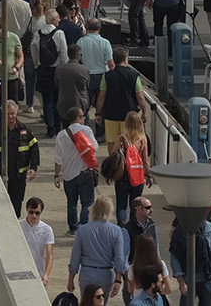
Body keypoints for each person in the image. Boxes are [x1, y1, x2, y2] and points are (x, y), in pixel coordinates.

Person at [68, 197, 129, 300]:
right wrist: (118, 280)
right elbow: (119, 258)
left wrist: (70, 280)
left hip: (87, 273)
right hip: (106, 274)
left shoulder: (82, 230)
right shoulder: (116, 231)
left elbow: (75, 257)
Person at [0, 100, 41, 213]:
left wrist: (33, 167)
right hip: (1, 176)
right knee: (1, 206)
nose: (10, 116)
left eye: (12, 113)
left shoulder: (25, 131)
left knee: (16, 205)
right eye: (8, 114)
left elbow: (34, 149)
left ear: (17, 113)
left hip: (19, 177)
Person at [53, 107, 98, 235]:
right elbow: (94, 147)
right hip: (85, 172)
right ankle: (83, 227)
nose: (84, 118)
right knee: (87, 202)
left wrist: (56, 175)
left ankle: (73, 228)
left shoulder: (61, 135)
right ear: (77, 118)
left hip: (68, 175)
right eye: (83, 116)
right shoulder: (86, 130)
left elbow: (58, 159)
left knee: (71, 203)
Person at [96, 45, 147, 147]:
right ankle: (127, 161)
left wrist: (98, 113)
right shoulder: (134, 75)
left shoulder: (107, 76)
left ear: (113, 60)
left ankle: (114, 161)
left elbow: (101, 96)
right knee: (129, 141)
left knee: (111, 142)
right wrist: (144, 112)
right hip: (129, 114)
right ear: (125, 59)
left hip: (111, 113)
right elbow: (140, 96)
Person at [110, 110, 150, 224]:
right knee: (136, 205)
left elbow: (113, 158)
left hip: (123, 178)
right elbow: (145, 161)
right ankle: (133, 227)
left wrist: (110, 175)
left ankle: (121, 226)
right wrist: (148, 175)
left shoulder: (121, 139)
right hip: (137, 179)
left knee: (121, 205)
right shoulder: (142, 141)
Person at [20, 199, 55, 287]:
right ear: (27, 210)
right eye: (31, 212)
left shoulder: (47, 230)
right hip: (21, 271)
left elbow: (49, 254)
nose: (34, 216)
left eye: (37, 213)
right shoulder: (18, 226)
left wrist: (46, 275)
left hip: (38, 273)